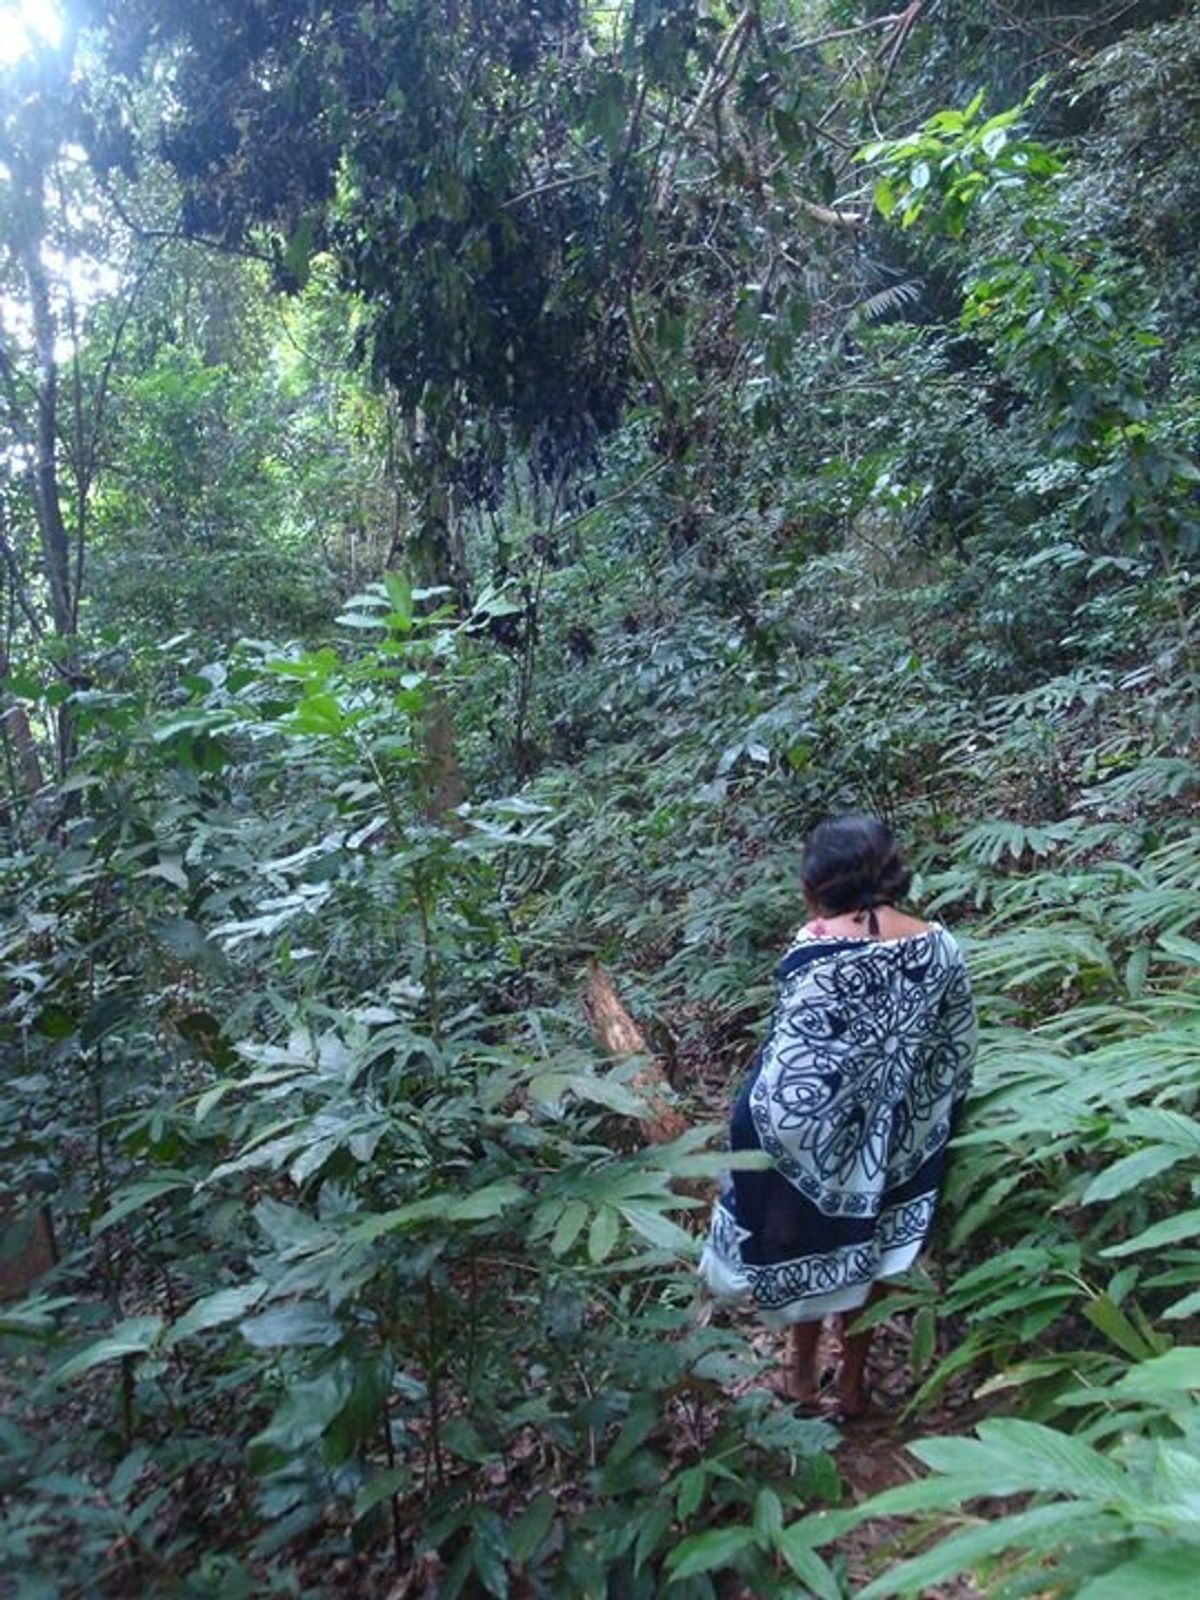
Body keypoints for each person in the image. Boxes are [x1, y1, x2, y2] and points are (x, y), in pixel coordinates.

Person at [699, 813, 976, 1418]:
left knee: (801, 1241)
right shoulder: (942, 946)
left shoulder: (815, 945)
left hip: (800, 1136)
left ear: (815, 885)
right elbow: (954, 1046)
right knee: (868, 1247)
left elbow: (790, 1053)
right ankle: (851, 1383)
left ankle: (799, 1374)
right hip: (890, 1134)